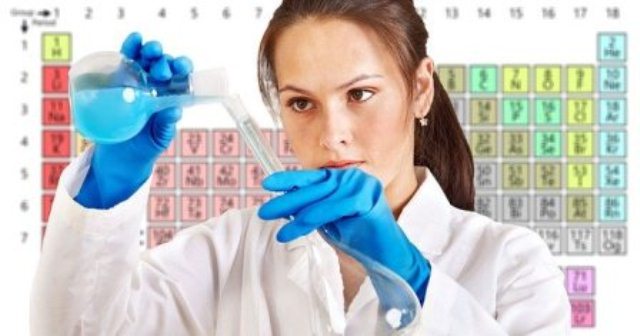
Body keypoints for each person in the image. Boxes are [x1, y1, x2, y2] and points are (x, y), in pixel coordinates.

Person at [31, 0, 570, 334]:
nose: (331, 132)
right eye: (301, 103)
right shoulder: (230, 253)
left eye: (360, 94)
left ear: (420, 89)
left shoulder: (509, 264)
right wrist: (111, 183)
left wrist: (410, 277)